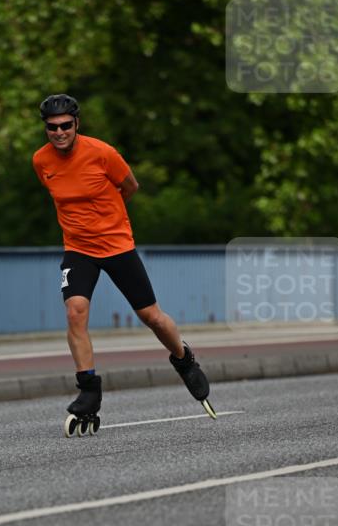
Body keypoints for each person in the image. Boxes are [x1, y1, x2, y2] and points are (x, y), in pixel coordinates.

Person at [32, 93, 214, 433]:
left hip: (116, 245)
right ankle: (88, 391)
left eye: (65, 126)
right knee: (75, 311)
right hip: (78, 248)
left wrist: (109, 217)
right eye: (52, 128)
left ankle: (184, 358)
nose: (59, 133)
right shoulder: (41, 161)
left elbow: (129, 187)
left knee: (151, 317)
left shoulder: (103, 153)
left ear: (77, 123)